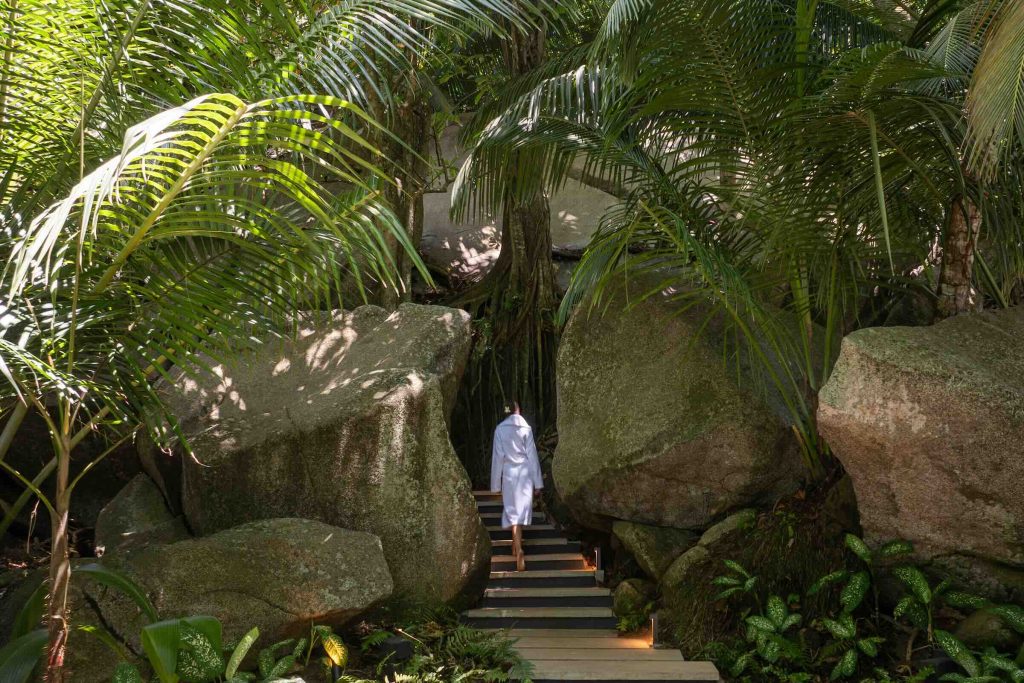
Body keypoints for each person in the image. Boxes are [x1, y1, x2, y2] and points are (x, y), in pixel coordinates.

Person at [490, 400, 543, 572]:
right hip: (525, 473)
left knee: (513, 512)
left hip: (509, 474)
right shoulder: (526, 428)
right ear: (518, 410)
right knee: (518, 513)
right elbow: (532, 456)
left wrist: (495, 485)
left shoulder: (500, 429)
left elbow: (498, 458)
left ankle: (517, 547)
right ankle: (518, 547)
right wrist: (538, 483)